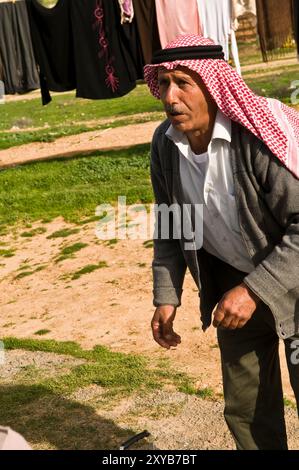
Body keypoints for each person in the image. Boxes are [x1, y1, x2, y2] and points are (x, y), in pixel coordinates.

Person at [143, 34, 299, 450]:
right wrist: (166, 293)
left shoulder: (256, 139)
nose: (169, 96)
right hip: (234, 284)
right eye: (163, 83)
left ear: (214, 88)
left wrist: (254, 290)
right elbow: (171, 224)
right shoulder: (165, 145)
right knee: (246, 410)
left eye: (183, 83)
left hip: (293, 282)